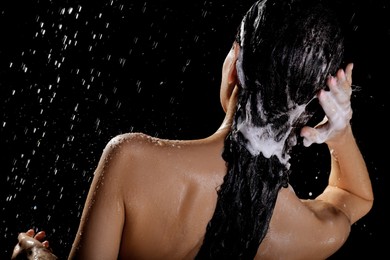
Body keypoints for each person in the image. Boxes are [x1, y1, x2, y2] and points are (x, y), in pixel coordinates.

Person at [11, 0, 373, 259]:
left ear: (236, 67)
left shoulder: (132, 161)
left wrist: (34, 256)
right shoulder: (310, 235)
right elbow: (355, 197)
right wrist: (340, 130)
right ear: (310, 106)